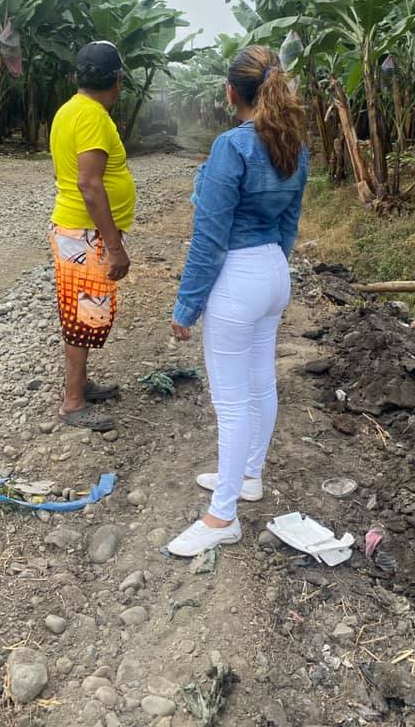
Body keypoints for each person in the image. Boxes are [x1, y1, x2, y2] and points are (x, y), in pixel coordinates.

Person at [167, 45, 308, 557]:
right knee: (260, 382)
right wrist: (272, 272)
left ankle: (222, 516)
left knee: (231, 401)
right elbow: (289, 223)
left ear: (232, 93)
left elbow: (209, 236)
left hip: (239, 276)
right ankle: (250, 476)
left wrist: (187, 306)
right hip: (273, 271)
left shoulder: (232, 146)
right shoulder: (293, 145)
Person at [49, 41, 135, 432]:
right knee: (84, 317)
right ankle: (73, 402)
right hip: (86, 234)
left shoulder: (69, 110)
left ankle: (81, 384)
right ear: (116, 80)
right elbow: (89, 184)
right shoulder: (93, 116)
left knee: (83, 313)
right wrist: (114, 246)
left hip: (78, 230)